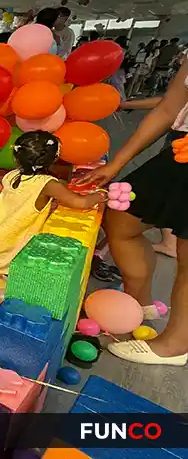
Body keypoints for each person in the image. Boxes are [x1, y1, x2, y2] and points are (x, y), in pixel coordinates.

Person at [78, 64, 188, 366]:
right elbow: (168, 109)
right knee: (121, 219)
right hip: (181, 150)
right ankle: (139, 306)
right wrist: (116, 165)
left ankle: (175, 345)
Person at [0, 131, 105, 273]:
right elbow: (80, 203)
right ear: (54, 159)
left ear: (16, 157)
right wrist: (100, 195)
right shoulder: (47, 185)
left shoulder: (13, 175)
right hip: (7, 236)